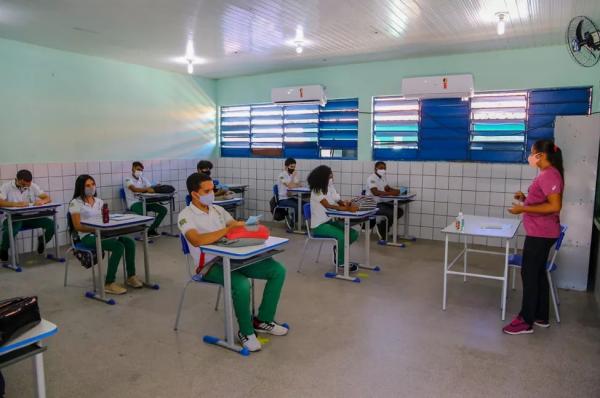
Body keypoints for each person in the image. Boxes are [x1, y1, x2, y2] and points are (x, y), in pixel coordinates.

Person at [178, 172, 288, 352]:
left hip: (235, 257)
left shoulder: (217, 209)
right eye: (207, 191)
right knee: (241, 284)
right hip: (210, 266)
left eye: (212, 189)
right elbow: (196, 239)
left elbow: (234, 225)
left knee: (278, 271)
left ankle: (263, 320)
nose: (211, 194)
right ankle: (245, 332)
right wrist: (226, 230)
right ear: (194, 194)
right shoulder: (186, 215)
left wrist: (247, 225)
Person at [503, 140, 565, 335]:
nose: (530, 157)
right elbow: (543, 201)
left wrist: (523, 208)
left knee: (529, 275)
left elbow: (554, 207)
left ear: (541, 155)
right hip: (541, 232)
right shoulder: (548, 174)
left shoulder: (550, 175)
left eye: (532, 153)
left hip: (541, 234)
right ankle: (541, 316)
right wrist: (525, 199)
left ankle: (525, 320)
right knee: (537, 274)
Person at [69, 174, 143, 295]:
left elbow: (105, 219)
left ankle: (131, 276)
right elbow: (77, 226)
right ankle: (109, 283)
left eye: (93, 184)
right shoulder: (75, 203)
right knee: (118, 246)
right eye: (87, 185)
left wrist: (110, 226)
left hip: (103, 232)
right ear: (80, 187)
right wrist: (96, 229)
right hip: (87, 236)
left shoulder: (99, 201)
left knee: (129, 242)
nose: (91, 187)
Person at [307, 165, 359, 271]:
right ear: (322, 177)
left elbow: (338, 200)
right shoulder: (316, 191)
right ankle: (340, 263)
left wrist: (347, 204)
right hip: (318, 226)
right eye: (329, 176)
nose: (332, 178)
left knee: (353, 234)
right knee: (342, 236)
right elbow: (328, 206)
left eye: (331, 176)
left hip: (329, 222)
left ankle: (338, 249)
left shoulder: (330, 188)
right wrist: (346, 209)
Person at [0, 169, 54, 262]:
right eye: (23, 185)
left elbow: (48, 198)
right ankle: (3, 249)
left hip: (31, 217)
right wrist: (15, 204)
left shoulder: (32, 186)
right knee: (11, 230)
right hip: (14, 218)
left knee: (51, 224)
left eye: (27, 185)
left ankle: (42, 240)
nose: (25, 187)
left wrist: (42, 201)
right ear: (18, 180)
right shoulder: (6, 187)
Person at [124, 161, 167, 238]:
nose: (139, 172)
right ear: (133, 168)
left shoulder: (143, 179)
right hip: (134, 203)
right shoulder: (127, 179)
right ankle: (144, 232)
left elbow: (151, 188)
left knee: (163, 210)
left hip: (145, 202)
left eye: (141, 170)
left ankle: (150, 230)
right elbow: (134, 189)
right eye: (138, 169)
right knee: (142, 212)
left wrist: (156, 187)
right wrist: (147, 189)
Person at [365, 161, 404, 240]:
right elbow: (375, 192)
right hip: (372, 204)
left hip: (381, 202)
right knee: (391, 212)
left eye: (384, 168)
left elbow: (387, 188)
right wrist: (391, 193)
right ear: (376, 168)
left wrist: (397, 191)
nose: (383, 170)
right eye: (381, 168)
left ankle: (383, 225)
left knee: (399, 211)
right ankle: (382, 228)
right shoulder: (371, 178)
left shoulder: (382, 177)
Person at [276, 157, 306, 229]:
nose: (293, 168)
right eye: (291, 167)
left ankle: (293, 218)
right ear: (286, 166)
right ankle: (292, 222)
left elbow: (299, 185)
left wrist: (293, 183)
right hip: (283, 199)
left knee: (305, 204)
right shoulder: (281, 175)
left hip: (290, 197)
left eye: (294, 167)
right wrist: (293, 178)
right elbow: (290, 186)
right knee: (298, 207)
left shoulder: (291, 175)